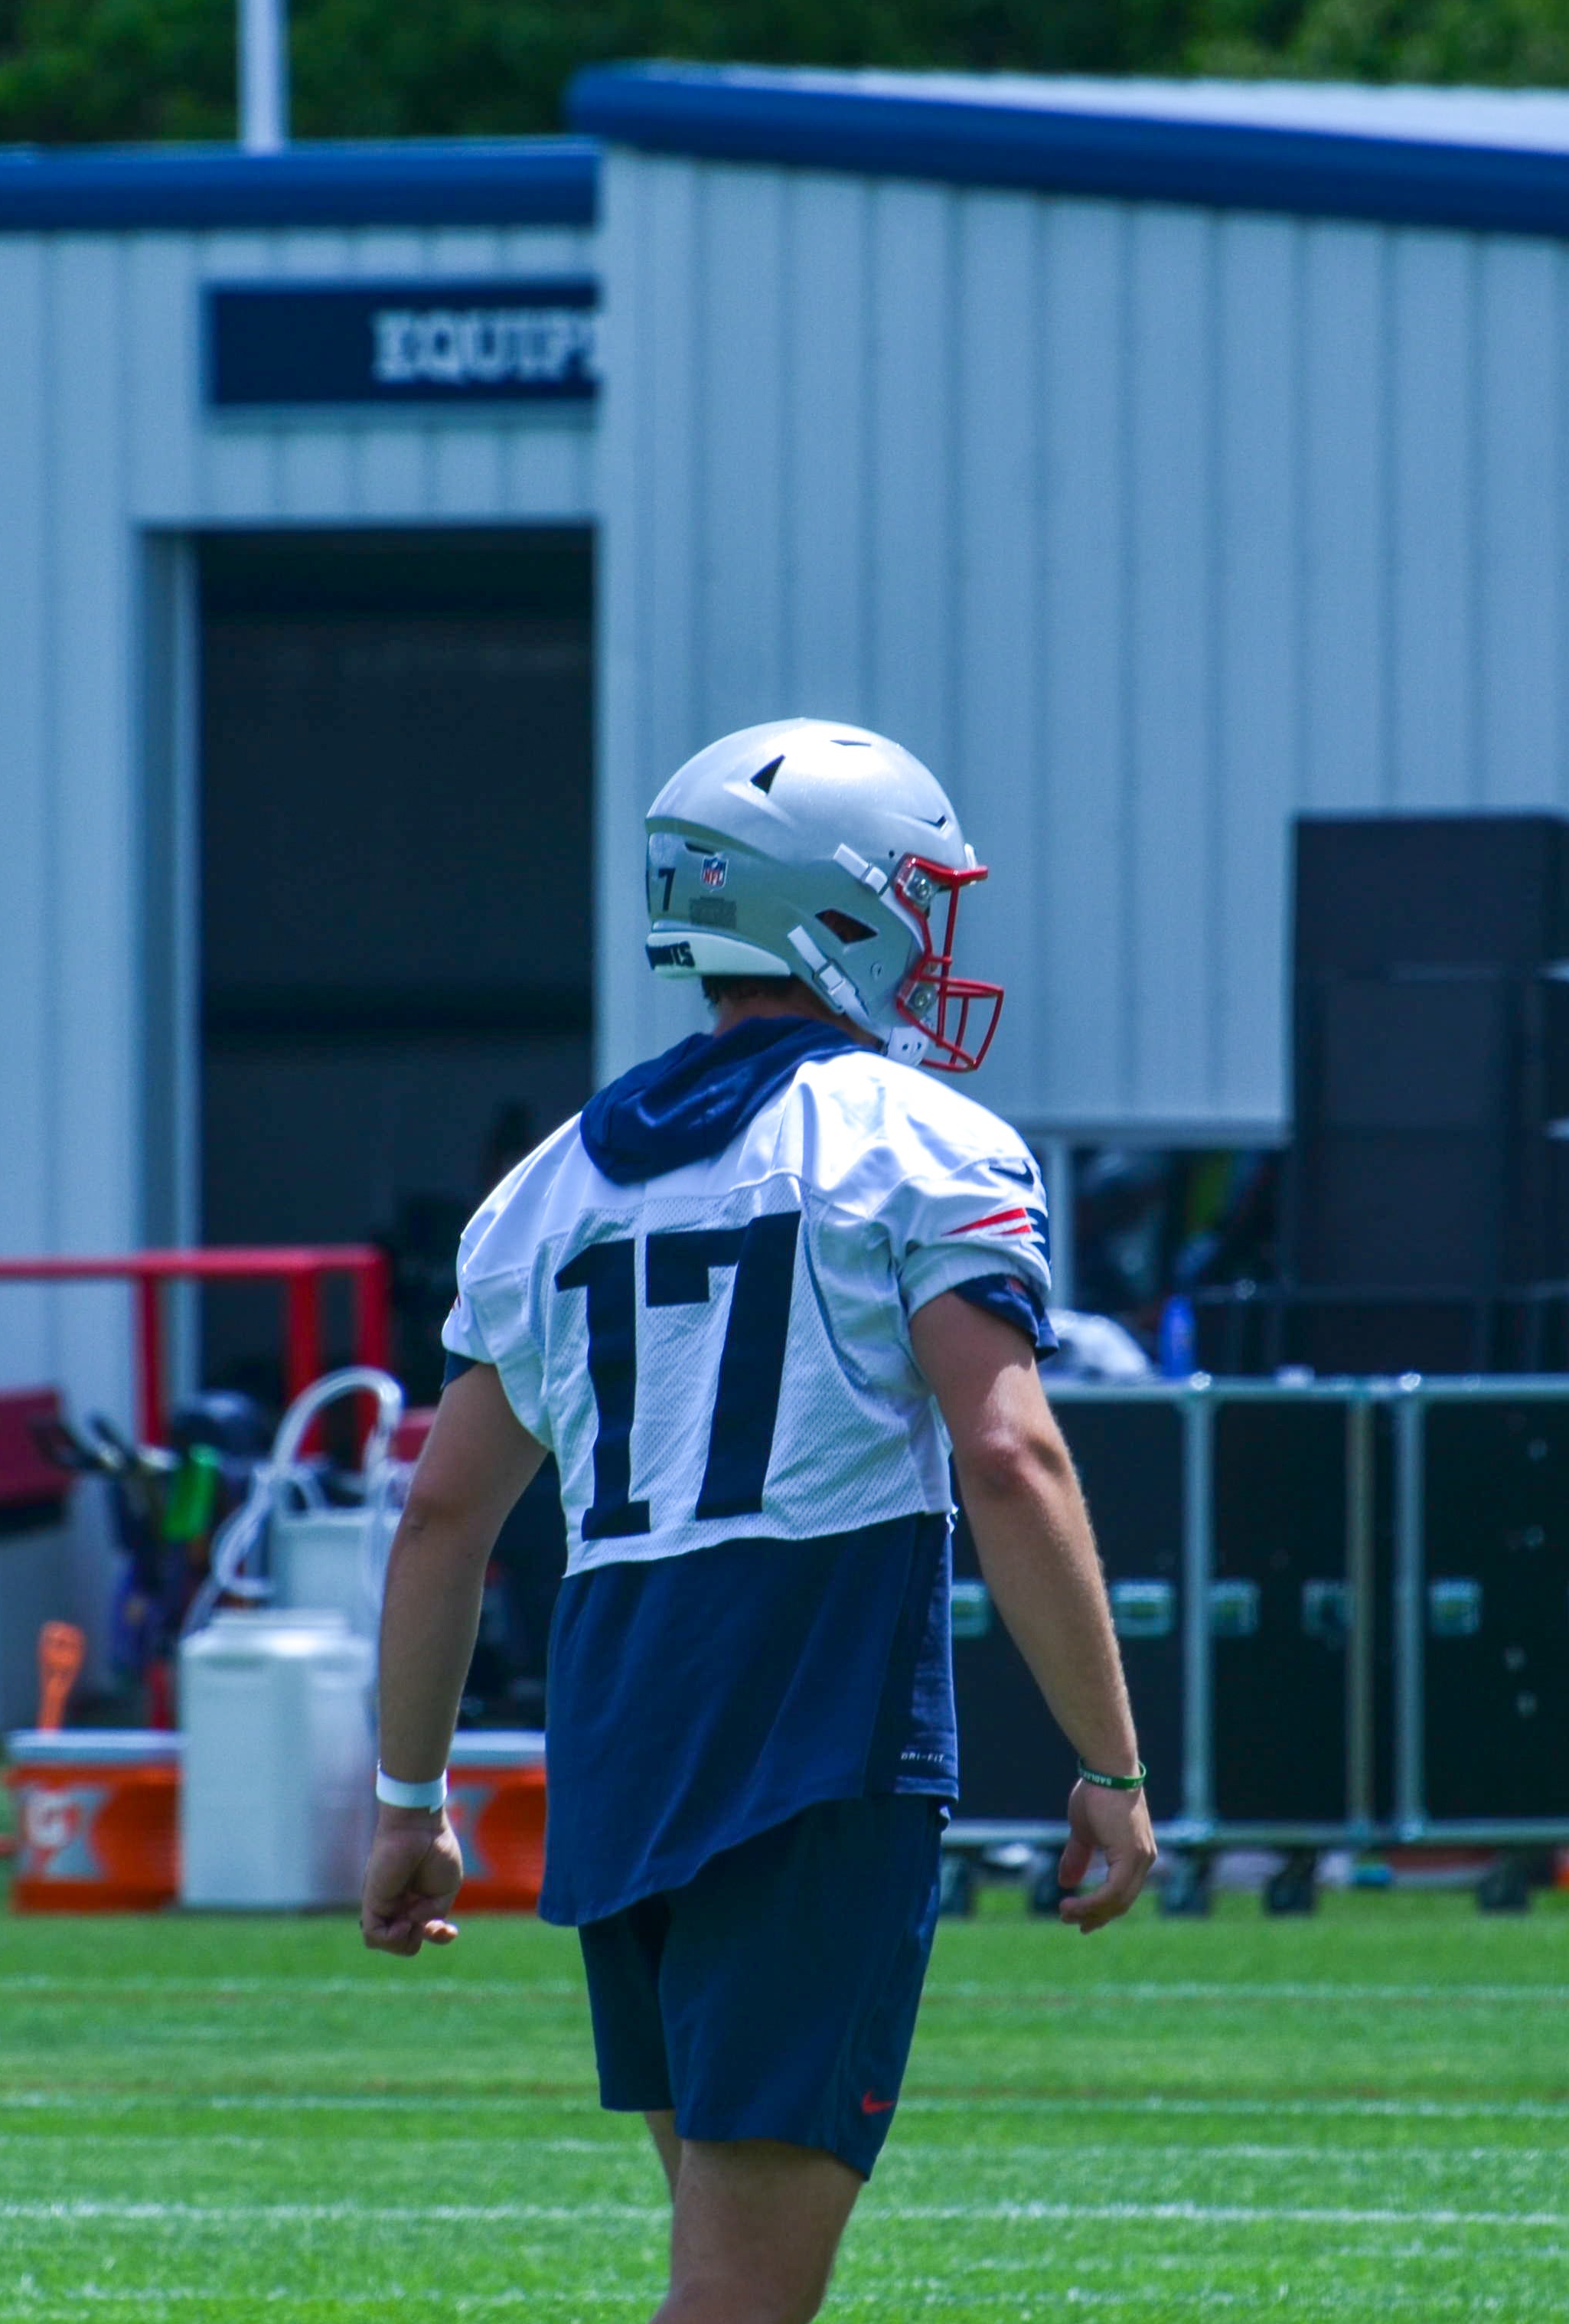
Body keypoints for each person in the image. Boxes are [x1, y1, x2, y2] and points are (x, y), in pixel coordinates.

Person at [365, 719, 1156, 2324]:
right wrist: (1113, 1765)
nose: (936, 939)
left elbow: (442, 1514)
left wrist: (408, 1796)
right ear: (837, 909)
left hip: (619, 1739)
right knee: (738, 2296)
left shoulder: (546, 1186)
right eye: (916, 898)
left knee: (727, 2264)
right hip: (806, 1728)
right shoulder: (912, 1141)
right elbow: (1010, 1459)